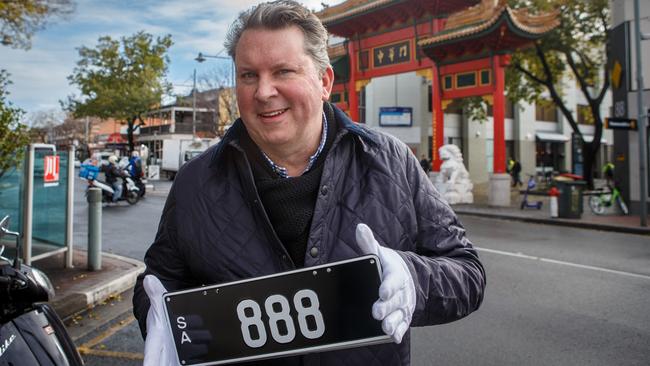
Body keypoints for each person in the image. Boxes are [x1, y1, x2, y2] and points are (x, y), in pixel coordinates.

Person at [132, 1, 485, 365]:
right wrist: (158, 318)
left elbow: (467, 272)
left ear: (324, 82)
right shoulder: (196, 182)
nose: (263, 91)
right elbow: (159, 281)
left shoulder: (390, 161)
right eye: (248, 75)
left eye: (283, 71)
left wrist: (413, 279)